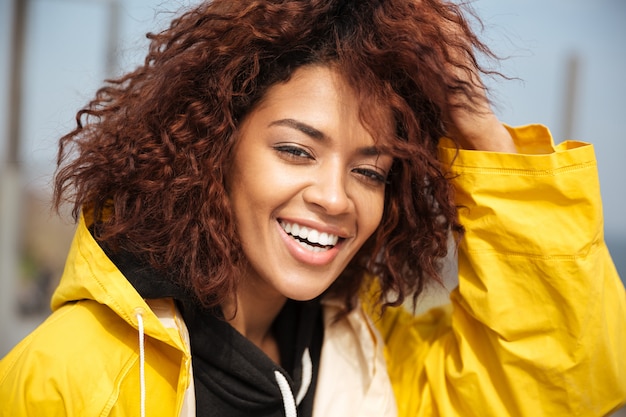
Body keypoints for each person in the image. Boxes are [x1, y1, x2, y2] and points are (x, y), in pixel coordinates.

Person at [1, 0, 625, 416]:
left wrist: (483, 133)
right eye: (297, 150)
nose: (334, 197)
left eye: (368, 171)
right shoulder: (73, 372)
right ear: (213, 148)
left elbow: (571, 373)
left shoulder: (384, 365)